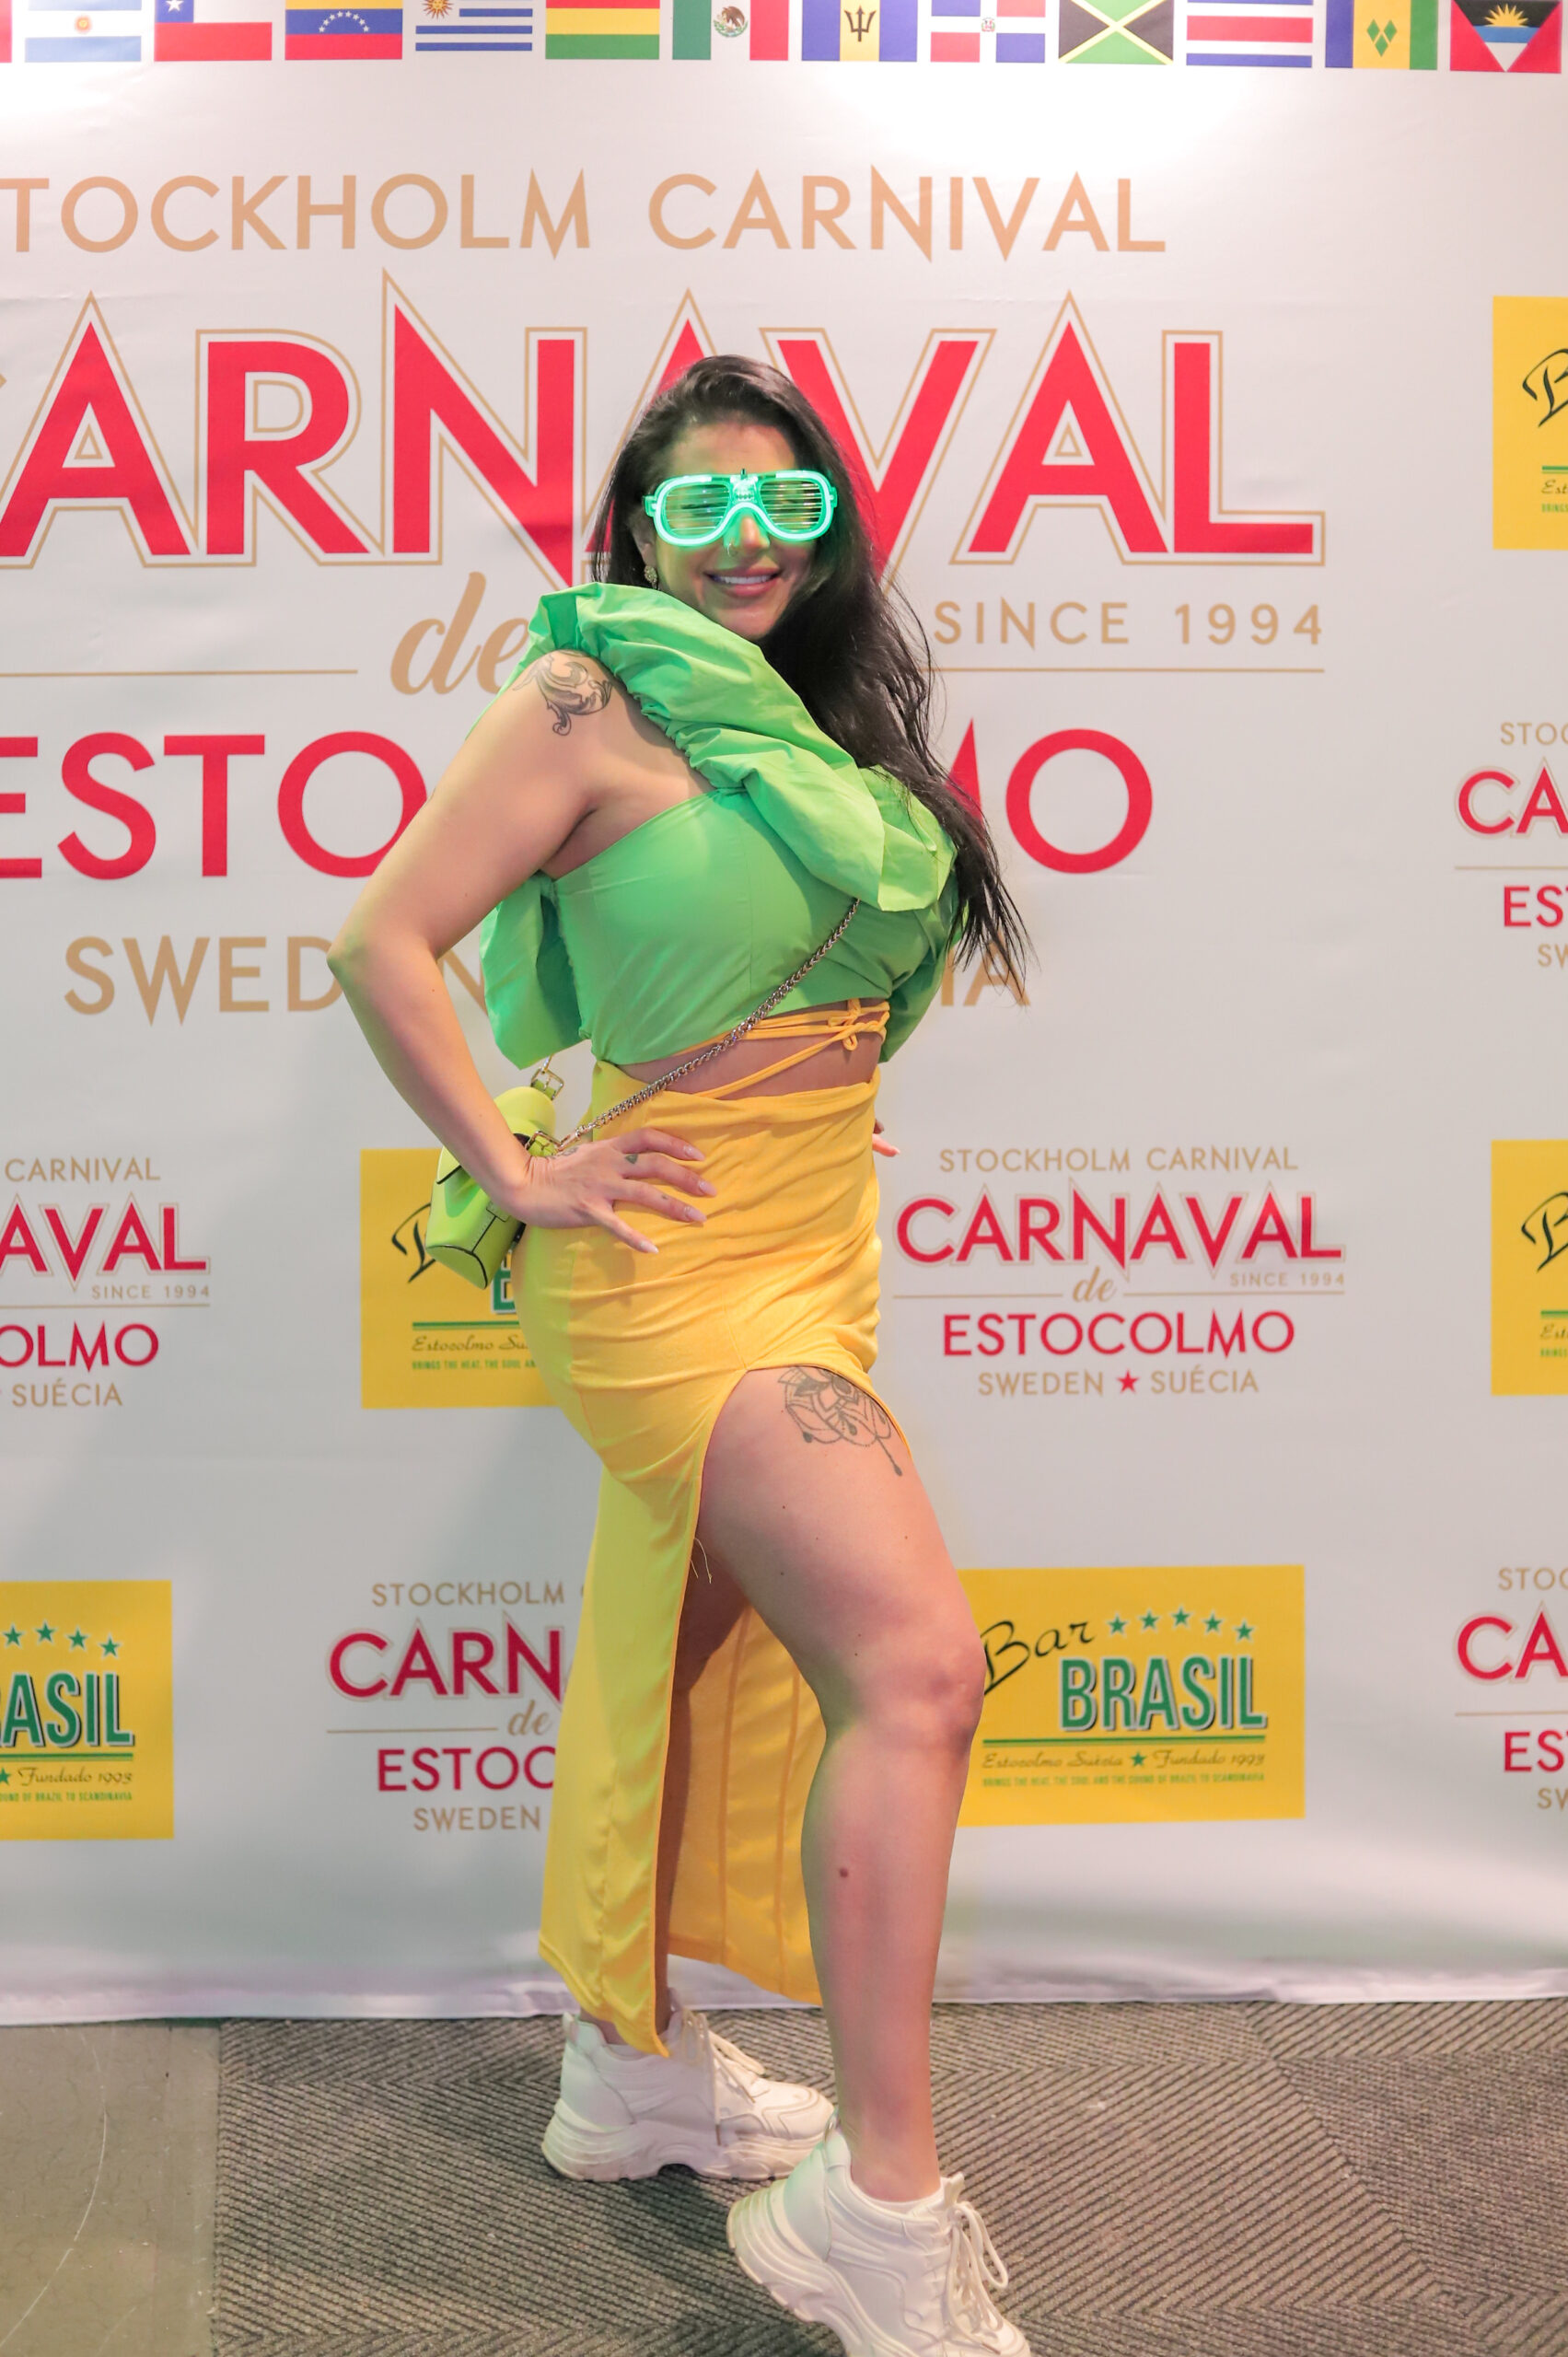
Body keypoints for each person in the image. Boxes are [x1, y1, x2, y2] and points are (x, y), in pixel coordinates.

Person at [329, 355, 1031, 2357]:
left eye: (783, 505)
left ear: (830, 530)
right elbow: (383, 940)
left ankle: (628, 2064)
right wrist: (512, 1168)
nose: (744, 542)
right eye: (699, 506)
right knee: (918, 1668)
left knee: (684, 1646)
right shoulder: (582, 697)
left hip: (811, 1239)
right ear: (634, 531)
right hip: (669, 1271)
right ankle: (878, 2209)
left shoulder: (816, 721)